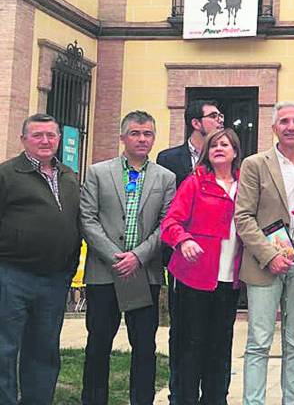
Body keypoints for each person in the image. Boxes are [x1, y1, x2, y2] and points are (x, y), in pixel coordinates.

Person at [80, 111, 176, 405]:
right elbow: (87, 218)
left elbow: (167, 223)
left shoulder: (166, 177)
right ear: (122, 137)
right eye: (135, 133)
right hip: (104, 272)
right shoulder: (98, 172)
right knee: (98, 343)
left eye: (147, 134)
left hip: (144, 273)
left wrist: (137, 256)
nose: (142, 139)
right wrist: (114, 256)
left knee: (144, 346)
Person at [235, 101, 294, 405]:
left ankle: (292, 401)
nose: (291, 126)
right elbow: (243, 217)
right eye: (284, 121)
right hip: (264, 264)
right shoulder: (255, 164)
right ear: (274, 128)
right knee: (259, 341)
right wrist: (269, 255)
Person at [0, 114, 81, 404]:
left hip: (54, 279)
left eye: (51, 135)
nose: (45, 141)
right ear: (23, 140)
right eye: (37, 135)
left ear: (59, 139)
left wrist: (68, 269)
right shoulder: (7, 175)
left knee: (44, 350)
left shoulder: (69, 176)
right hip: (12, 277)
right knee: (4, 349)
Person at [160, 128, 243, 405]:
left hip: (228, 280)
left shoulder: (245, 185)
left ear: (235, 152)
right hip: (194, 277)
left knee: (220, 348)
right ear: (207, 151)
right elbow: (170, 223)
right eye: (214, 144)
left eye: (226, 144)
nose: (220, 148)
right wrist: (183, 240)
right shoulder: (195, 182)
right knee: (190, 346)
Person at [157, 98, 225, 404]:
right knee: (183, 334)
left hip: (220, 266)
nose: (220, 120)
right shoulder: (170, 159)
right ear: (196, 123)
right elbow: (166, 211)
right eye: (213, 116)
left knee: (215, 338)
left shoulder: (230, 170)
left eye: (221, 116)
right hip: (184, 261)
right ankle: (180, 394)